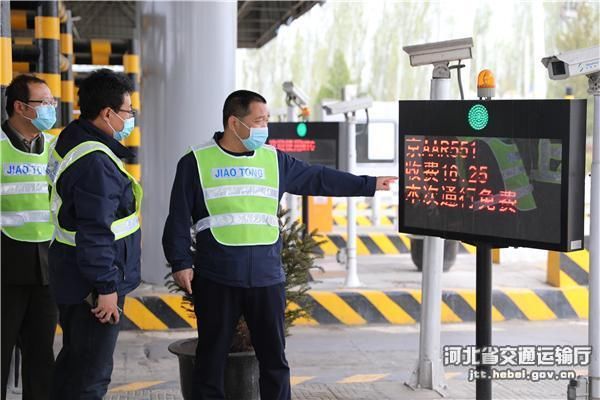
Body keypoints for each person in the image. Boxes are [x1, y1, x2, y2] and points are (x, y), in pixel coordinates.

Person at [163, 90, 397, 400]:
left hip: (266, 277)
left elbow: (318, 178)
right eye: (258, 121)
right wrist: (180, 262)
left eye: (266, 121)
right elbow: (177, 217)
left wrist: (368, 184)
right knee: (210, 361)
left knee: (274, 361)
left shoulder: (274, 160)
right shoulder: (195, 162)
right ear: (234, 123)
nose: (264, 128)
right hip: (217, 277)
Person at [46, 69, 142, 400]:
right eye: (128, 112)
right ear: (107, 113)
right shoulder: (95, 163)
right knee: (90, 378)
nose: (130, 119)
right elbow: (96, 231)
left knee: (73, 366)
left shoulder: (72, 137)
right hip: (92, 285)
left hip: (71, 274)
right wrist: (106, 288)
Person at [1, 74, 58, 400]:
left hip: (46, 268)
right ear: (21, 107)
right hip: (5, 268)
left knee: (41, 359)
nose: (51, 108)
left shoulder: (53, 148)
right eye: (44, 102)